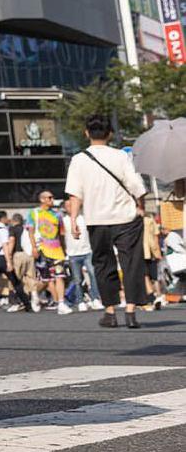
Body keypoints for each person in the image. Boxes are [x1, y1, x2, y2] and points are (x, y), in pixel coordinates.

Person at [65, 115, 149, 329]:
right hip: (126, 218)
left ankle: (110, 312)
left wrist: (74, 219)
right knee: (131, 262)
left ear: (86, 133)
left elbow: (75, 194)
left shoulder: (79, 159)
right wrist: (141, 206)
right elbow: (135, 183)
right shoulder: (120, 156)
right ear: (110, 133)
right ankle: (131, 311)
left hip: (96, 219)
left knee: (103, 264)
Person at [29, 193, 71, 315]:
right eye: (49, 198)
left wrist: (64, 249)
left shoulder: (57, 215)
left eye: (53, 197)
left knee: (60, 276)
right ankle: (34, 293)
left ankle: (61, 303)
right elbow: (30, 232)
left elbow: (61, 233)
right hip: (42, 248)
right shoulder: (34, 213)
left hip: (57, 250)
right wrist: (34, 248)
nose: (52, 200)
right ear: (42, 199)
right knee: (46, 279)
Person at [7, 213, 40, 312]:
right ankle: (34, 298)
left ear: (13, 221)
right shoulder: (26, 229)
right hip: (29, 254)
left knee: (15, 280)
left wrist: (8, 255)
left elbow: (12, 241)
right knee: (31, 277)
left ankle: (15, 303)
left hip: (18, 255)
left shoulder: (12, 229)